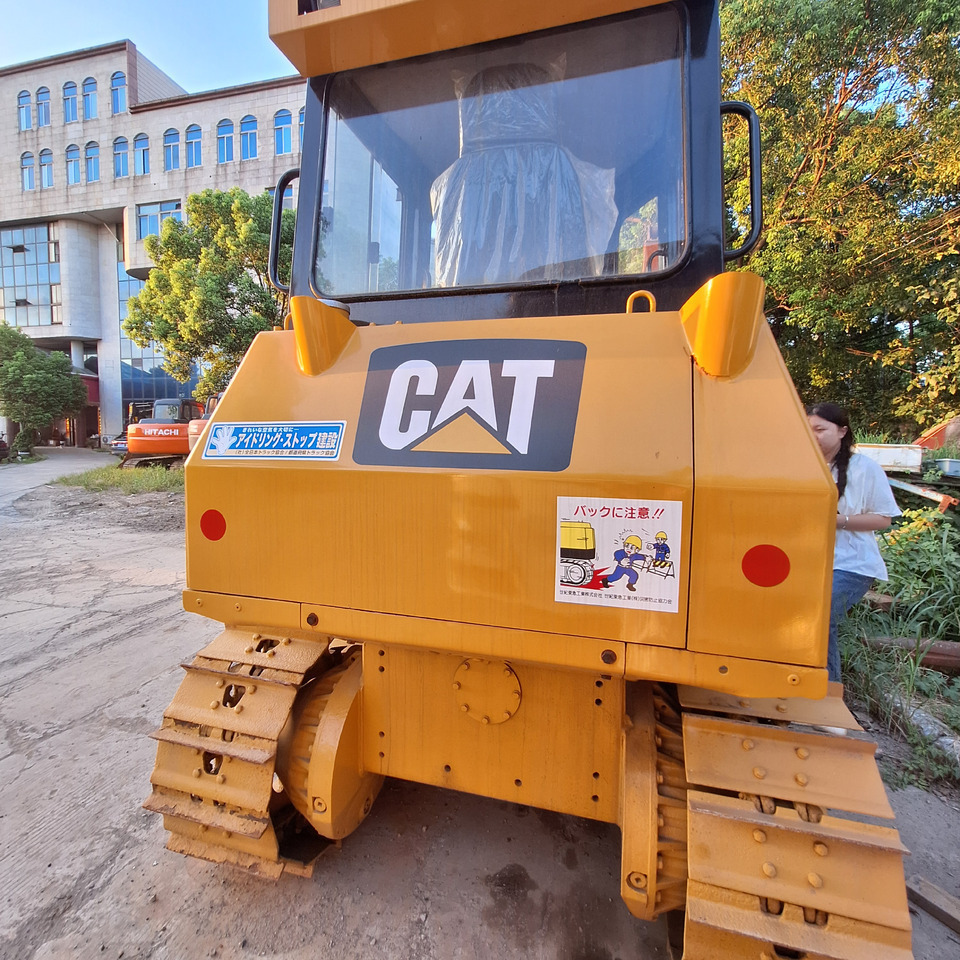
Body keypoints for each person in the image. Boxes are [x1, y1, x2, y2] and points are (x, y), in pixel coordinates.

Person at [806, 403, 901, 683]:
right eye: (808, 429)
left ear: (842, 430)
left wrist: (838, 520)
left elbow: (884, 519)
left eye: (820, 429)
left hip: (853, 565)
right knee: (814, 621)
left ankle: (828, 692)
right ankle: (819, 692)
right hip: (810, 564)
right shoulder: (802, 466)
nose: (814, 436)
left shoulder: (865, 468)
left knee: (819, 617)